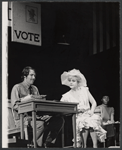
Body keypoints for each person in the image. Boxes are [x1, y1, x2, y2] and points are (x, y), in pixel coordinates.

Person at [11, 66, 64, 147]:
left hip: (36, 116)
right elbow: (15, 106)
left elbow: (39, 105)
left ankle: (46, 143)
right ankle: (35, 145)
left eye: (34, 75)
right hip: (23, 119)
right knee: (39, 124)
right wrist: (25, 99)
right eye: (31, 75)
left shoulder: (35, 89)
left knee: (59, 121)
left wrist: (45, 114)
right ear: (25, 76)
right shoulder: (17, 87)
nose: (34, 77)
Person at [60, 69, 107, 148]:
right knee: (83, 122)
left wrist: (91, 111)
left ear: (78, 82)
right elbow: (63, 108)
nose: (71, 82)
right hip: (78, 116)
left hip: (88, 114)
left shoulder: (84, 90)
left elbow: (94, 102)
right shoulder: (66, 96)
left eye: (73, 81)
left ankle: (95, 146)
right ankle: (84, 146)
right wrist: (76, 110)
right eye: (70, 80)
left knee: (92, 120)